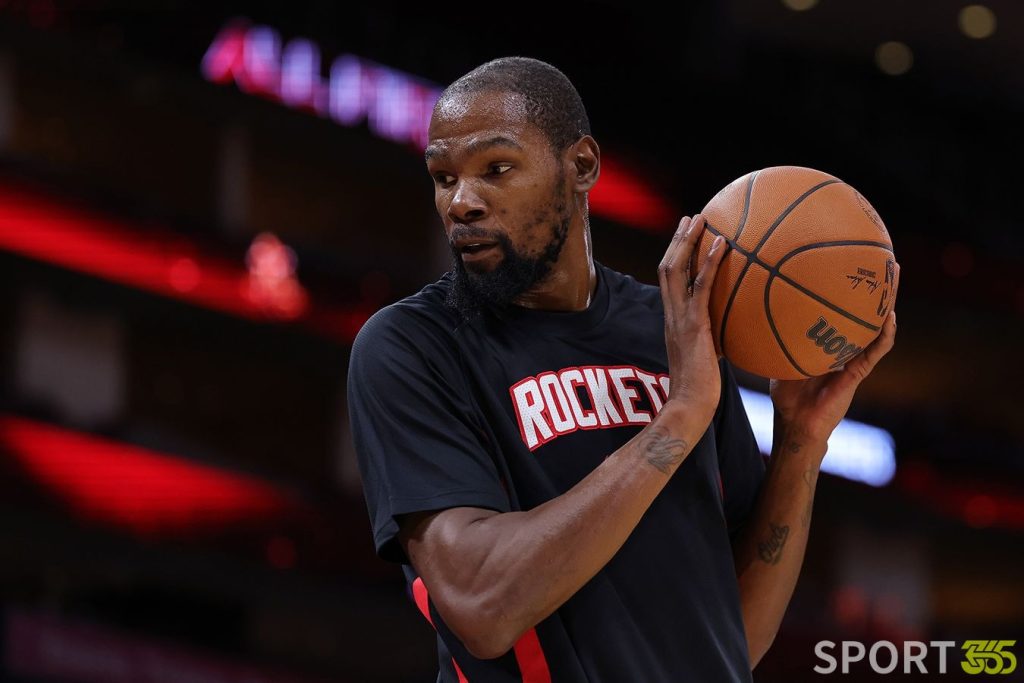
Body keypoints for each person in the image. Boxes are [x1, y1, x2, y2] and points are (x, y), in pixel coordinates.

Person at [346, 56, 897, 682]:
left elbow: (735, 635)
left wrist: (800, 440)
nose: (461, 202)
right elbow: (482, 607)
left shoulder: (678, 329)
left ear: (582, 165)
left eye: (496, 169)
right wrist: (677, 419)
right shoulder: (412, 347)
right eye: (444, 178)